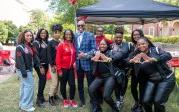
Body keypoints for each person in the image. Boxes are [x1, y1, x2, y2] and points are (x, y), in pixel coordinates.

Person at [128, 37, 175, 112]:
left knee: (158, 102)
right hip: (151, 80)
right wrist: (134, 64)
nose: (141, 46)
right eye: (139, 44)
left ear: (148, 43)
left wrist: (155, 59)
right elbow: (137, 73)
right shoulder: (137, 55)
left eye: (143, 43)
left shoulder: (156, 50)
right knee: (145, 101)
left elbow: (168, 55)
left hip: (166, 79)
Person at [89, 39, 119, 112]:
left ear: (107, 45)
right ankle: (97, 107)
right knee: (91, 89)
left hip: (109, 76)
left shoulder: (111, 52)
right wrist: (91, 58)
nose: (102, 46)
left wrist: (108, 58)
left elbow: (114, 57)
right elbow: (89, 57)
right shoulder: (96, 53)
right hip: (100, 77)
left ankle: (115, 108)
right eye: (101, 44)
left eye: (104, 44)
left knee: (106, 96)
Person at [15, 30, 40, 112]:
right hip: (24, 70)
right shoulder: (20, 47)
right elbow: (20, 61)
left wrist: (39, 65)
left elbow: (35, 56)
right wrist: (24, 72)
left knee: (24, 87)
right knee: (29, 87)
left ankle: (22, 104)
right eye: (27, 35)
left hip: (28, 69)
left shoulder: (30, 45)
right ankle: (26, 106)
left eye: (30, 35)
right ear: (23, 36)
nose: (29, 37)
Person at [74, 20, 96, 107]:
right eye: (78, 25)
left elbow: (94, 49)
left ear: (85, 26)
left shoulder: (90, 35)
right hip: (78, 64)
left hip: (87, 64)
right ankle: (82, 100)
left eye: (82, 25)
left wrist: (86, 54)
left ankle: (92, 101)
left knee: (90, 83)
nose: (80, 27)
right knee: (80, 83)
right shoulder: (74, 36)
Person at [111, 27, 133, 108]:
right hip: (115, 69)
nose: (118, 39)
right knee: (116, 85)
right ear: (114, 37)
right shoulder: (111, 46)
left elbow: (131, 56)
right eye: (117, 37)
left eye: (120, 37)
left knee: (123, 85)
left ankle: (121, 97)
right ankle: (117, 100)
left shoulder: (128, 45)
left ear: (122, 37)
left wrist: (129, 68)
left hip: (125, 69)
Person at [56, 29, 78, 108]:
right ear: (64, 35)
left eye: (70, 34)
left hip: (71, 69)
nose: (68, 36)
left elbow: (74, 55)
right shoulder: (61, 44)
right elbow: (58, 58)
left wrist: (75, 61)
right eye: (66, 34)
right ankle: (65, 100)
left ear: (72, 35)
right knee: (63, 85)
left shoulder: (73, 44)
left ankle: (71, 99)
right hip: (63, 69)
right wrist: (59, 70)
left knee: (72, 84)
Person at [33, 28, 49, 107]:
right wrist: (40, 66)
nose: (43, 34)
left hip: (45, 65)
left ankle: (41, 97)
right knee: (42, 80)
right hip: (39, 65)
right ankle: (38, 100)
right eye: (42, 33)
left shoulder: (46, 42)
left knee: (43, 80)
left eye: (45, 33)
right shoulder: (36, 42)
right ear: (39, 33)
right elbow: (35, 55)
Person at [48, 24, 63, 106]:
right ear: (53, 33)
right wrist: (52, 65)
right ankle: (50, 97)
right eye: (55, 32)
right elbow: (49, 55)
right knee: (54, 82)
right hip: (53, 65)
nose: (57, 34)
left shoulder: (61, 42)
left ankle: (55, 95)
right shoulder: (50, 43)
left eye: (59, 32)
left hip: (60, 65)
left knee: (58, 82)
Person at [130, 29, 145, 112]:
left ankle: (141, 105)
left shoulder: (145, 42)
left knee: (142, 88)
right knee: (133, 88)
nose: (135, 36)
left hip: (143, 70)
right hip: (134, 71)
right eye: (134, 35)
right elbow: (130, 56)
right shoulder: (132, 45)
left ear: (141, 35)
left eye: (137, 34)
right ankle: (136, 101)